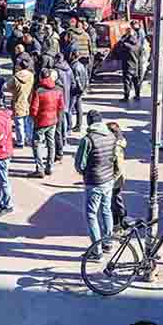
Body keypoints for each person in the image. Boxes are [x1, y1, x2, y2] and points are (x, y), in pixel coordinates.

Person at [74, 110, 117, 259]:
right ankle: (108, 243)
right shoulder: (111, 135)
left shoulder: (88, 140)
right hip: (109, 179)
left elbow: (80, 164)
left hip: (94, 181)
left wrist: (84, 172)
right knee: (106, 210)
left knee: (91, 214)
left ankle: (96, 251)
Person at [30, 68, 65, 178]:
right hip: (53, 120)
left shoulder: (39, 91)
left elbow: (34, 109)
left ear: (41, 77)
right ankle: (50, 167)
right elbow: (61, 106)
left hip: (41, 121)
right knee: (51, 143)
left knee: (37, 144)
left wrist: (33, 118)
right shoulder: (58, 89)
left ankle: (39, 168)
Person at [5, 58, 35, 147]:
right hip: (28, 101)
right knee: (28, 122)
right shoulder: (31, 75)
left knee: (19, 124)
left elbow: (7, 87)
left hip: (18, 101)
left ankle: (20, 141)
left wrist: (14, 91)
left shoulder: (15, 77)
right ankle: (29, 139)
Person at [106, 121, 128, 229]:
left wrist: (112, 180)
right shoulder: (117, 144)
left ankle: (119, 222)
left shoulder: (116, 147)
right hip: (117, 178)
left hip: (116, 179)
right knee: (116, 200)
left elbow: (118, 168)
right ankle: (120, 220)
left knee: (114, 201)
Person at [116, 25, 144, 103]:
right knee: (136, 82)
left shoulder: (125, 44)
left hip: (128, 65)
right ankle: (137, 95)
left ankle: (126, 96)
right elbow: (141, 56)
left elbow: (118, 48)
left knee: (127, 82)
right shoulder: (138, 44)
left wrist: (123, 37)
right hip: (136, 65)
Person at [69, 52, 90, 133]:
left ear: (74, 56)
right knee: (79, 108)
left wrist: (79, 89)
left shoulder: (74, 66)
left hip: (76, 90)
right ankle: (78, 125)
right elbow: (86, 76)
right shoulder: (81, 65)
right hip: (80, 90)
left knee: (72, 108)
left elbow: (77, 79)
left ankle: (74, 126)